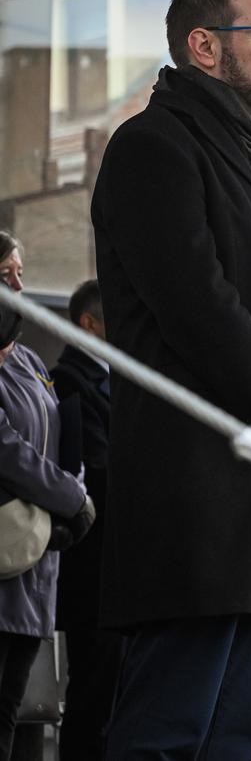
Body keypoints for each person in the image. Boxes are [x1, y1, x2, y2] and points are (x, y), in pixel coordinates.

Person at [91, 0, 251, 757]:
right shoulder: (154, 146)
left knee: (237, 733)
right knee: (170, 728)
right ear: (204, 46)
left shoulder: (244, 157)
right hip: (195, 486)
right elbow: (198, 305)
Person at [0, 233, 94, 761]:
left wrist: (73, 490)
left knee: (18, 710)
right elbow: (8, 448)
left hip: (39, 566)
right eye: (6, 272)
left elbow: (61, 436)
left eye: (20, 272)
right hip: (5, 554)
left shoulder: (30, 361)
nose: (18, 284)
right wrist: (70, 498)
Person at [51, 279, 123, 761]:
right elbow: (95, 467)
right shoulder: (70, 380)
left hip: (118, 564)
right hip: (93, 563)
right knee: (94, 689)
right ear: (90, 323)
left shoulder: (117, 380)